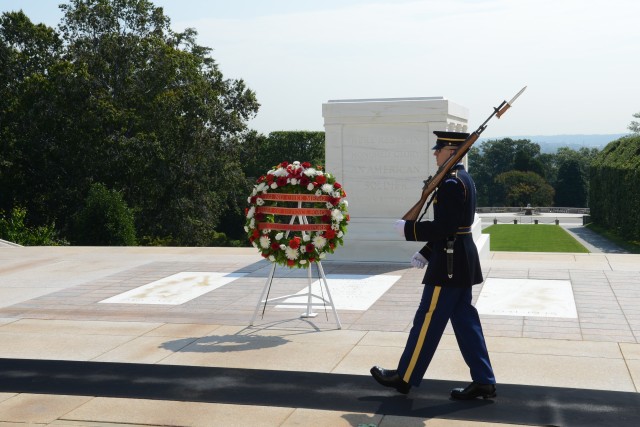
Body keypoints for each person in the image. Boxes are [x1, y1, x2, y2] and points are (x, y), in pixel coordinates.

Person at [370, 130, 496, 399]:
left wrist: (410, 231)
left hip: (449, 264)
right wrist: (427, 251)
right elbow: (455, 228)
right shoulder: (463, 179)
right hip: (459, 257)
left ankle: (404, 377)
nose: (435, 153)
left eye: (439, 149)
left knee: (426, 320)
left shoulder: (451, 183)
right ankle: (484, 379)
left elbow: (445, 226)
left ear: (451, 151)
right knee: (464, 321)